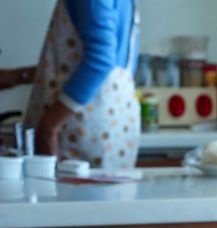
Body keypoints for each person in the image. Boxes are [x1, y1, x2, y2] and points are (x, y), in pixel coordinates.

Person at [0, 0, 140, 168]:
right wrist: (18, 76)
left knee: (69, 184)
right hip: (115, 128)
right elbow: (109, 68)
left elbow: (101, 61)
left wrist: (48, 127)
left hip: (79, 129)